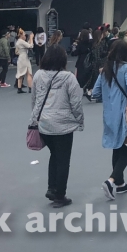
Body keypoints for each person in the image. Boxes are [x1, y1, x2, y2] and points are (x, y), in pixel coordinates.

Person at [31, 45, 84, 208]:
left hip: (44, 123)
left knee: (54, 155)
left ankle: (51, 187)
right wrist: (79, 120)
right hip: (63, 124)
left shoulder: (38, 75)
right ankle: (60, 194)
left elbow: (34, 99)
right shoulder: (68, 78)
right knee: (63, 159)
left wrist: (35, 118)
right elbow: (76, 103)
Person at [91, 39, 127, 199]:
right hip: (125, 113)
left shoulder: (105, 70)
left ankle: (120, 183)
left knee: (117, 148)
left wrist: (109, 96)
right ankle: (111, 181)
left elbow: (95, 93)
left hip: (109, 114)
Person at [73, 23, 97, 95]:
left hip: (81, 61)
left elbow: (74, 53)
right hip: (89, 60)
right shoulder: (91, 42)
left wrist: (74, 47)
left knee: (80, 76)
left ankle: (82, 88)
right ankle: (88, 88)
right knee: (88, 74)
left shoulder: (80, 44)